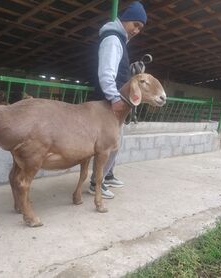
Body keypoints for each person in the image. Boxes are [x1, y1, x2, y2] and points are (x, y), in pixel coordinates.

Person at [88, 1, 147, 199]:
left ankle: (107, 174)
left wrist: (130, 71)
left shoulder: (119, 40)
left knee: (115, 141)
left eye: (140, 27)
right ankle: (96, 182)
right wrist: (114, 98)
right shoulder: (113, 39)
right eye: (135, 24)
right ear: (125, 19)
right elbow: (106, 73)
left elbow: (117, 71)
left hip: (113, 101)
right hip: (107, 102)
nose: (137, 30)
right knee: (107, 144)